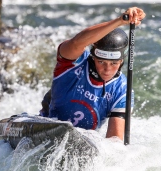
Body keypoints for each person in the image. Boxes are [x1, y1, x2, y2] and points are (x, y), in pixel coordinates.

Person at [40, 7, 146, 140]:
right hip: (48, 125)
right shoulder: (73, 63)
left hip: (84, 140)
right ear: (93, 57)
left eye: (114, 63)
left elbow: (114, 142)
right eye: (101, 62)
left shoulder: (122, 89)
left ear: (121, 61)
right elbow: (77, 42)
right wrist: (119, 21)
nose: (107, 69)